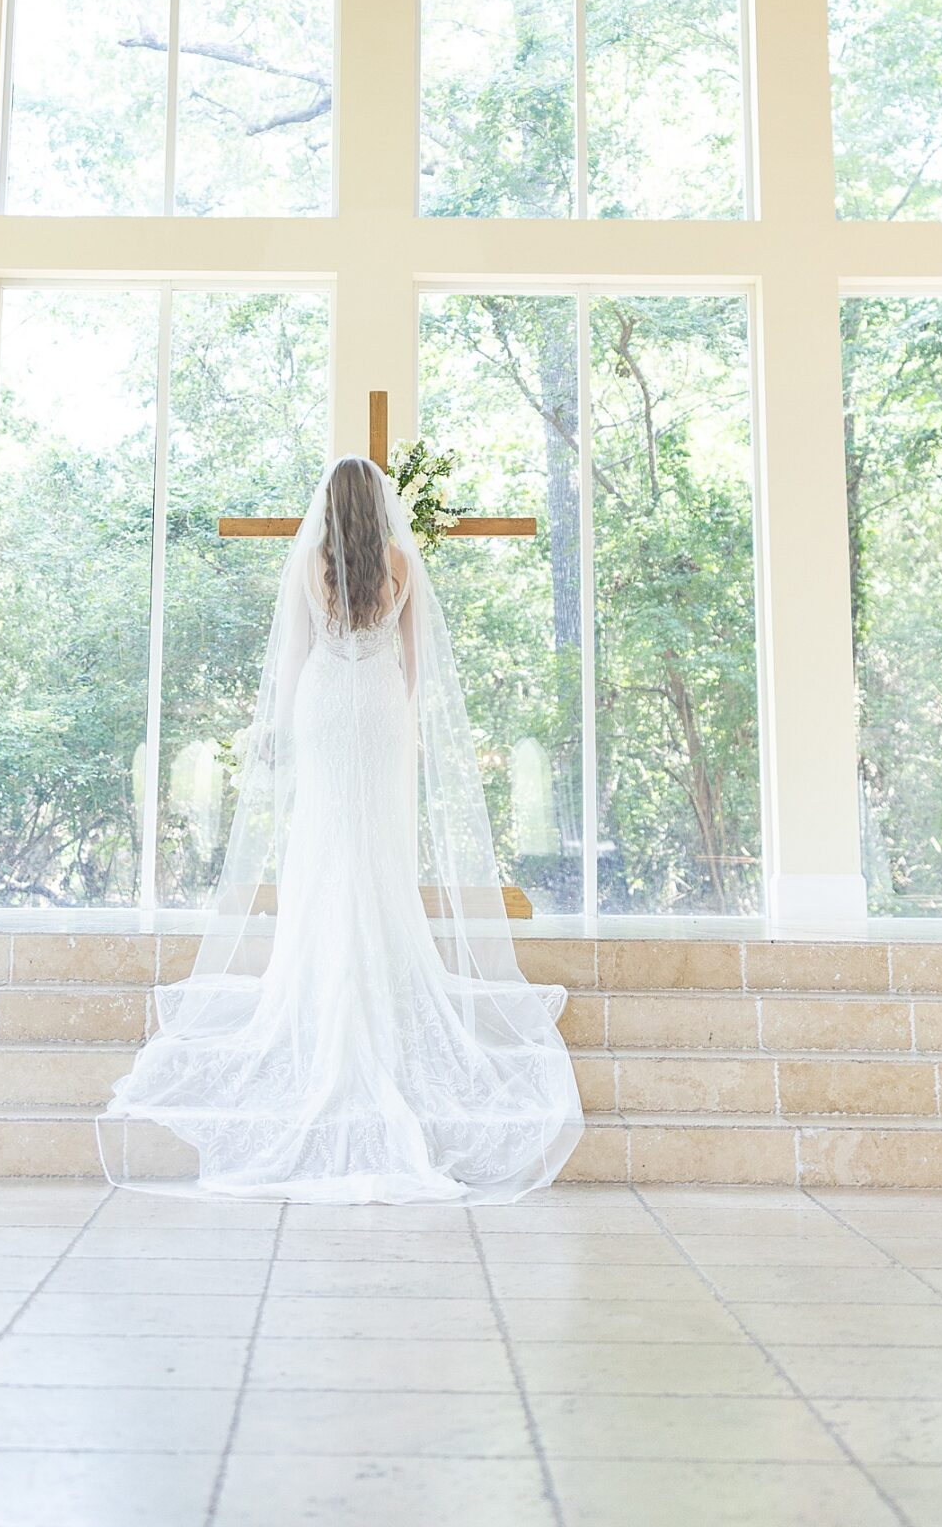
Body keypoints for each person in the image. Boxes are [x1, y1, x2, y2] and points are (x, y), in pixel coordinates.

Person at [98, 454, 583, 1201]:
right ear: (381, 504)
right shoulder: (398, 562)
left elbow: (293, 653)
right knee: (375, 850)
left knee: (324, 846)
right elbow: (415, 660)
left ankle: (322, 975)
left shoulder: (312, 564)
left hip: (324, 704)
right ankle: (380, 973)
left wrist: (278, 721)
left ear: (328, 504)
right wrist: (393, 703)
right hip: (380, 708)